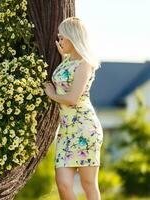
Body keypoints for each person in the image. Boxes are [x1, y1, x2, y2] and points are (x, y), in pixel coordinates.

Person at [43, 17, 103, 200]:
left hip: (85, 128)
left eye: (62, 37)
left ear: (72, 37)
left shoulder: (85, 64)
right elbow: (66, 77)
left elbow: (72, 98)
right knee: (63, 184)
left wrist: (52, 95)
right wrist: (63, 57)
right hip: (66, 130)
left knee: (88, 184)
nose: (60, 41)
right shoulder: (67, 62)